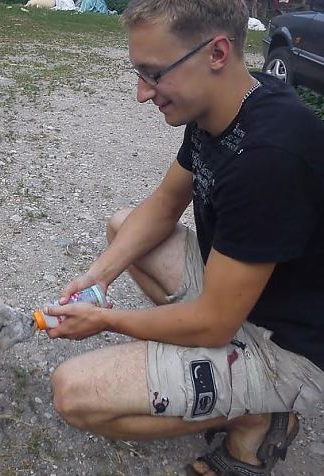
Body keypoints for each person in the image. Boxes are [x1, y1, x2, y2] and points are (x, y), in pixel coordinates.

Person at [44, 1, 324, 474]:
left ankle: (261, 412)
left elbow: (213, 323)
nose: (140, 93)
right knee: (123, 227)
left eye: (153, 74)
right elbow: (162, 206)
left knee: (73, 393)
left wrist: (105, 321)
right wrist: (97, 277)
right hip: (243, 302)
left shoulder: (268, 157)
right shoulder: (223, 104)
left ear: (216, 53)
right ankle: (222, 375)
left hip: (290, 348)